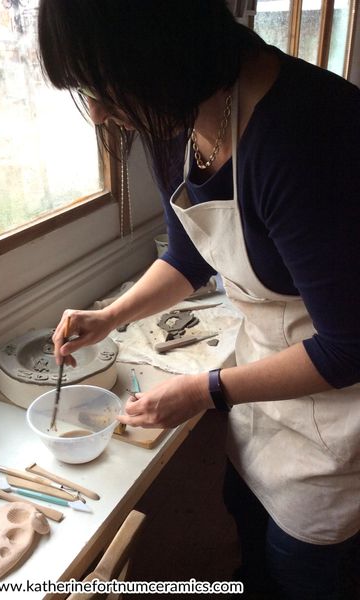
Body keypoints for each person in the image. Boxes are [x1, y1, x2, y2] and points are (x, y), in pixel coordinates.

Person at [38, 1, 360, 598]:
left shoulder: (306, 133)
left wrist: (206, 390)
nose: (103, 114)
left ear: (160, 49)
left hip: (341, 418)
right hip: (265, 390)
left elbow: (349, 348)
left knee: (304, 573)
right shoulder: (172, 121)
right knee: (246, 532)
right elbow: (189, 255)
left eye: (105, 85)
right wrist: (110, 317)